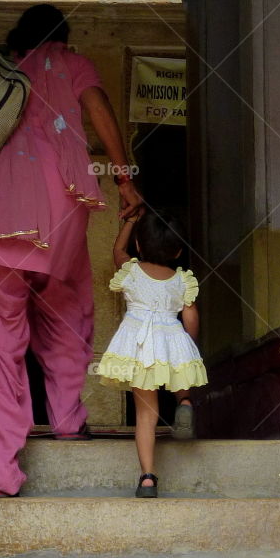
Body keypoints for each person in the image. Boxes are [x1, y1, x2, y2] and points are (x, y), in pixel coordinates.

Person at [0, 4, 143, 497]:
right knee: (68, 312)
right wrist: (124, 179)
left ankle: (2, 475)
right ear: (63, 37)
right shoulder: (73, 65)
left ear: (19, 39)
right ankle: (69, 421)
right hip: (61, 213)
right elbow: (98, 109)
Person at [94, 210, 207, 497]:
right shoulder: (182, 280)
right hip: (170, 333)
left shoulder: (130, 271)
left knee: (146, 415)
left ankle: (147, 478)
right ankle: (184, 401)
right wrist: (188, 345)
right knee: (179, 369)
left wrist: (131, 220)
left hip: (140, 345)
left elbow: (117, 250)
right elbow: (190, 317)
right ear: (178, 250)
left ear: (140, 247)